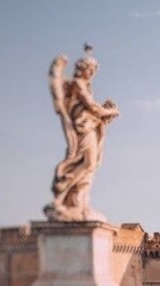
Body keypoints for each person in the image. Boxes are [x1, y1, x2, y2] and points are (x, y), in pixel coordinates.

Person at [45, 49, 120, 222]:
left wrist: (104, 115)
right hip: (83, 128)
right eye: (90, 69)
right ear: (82, 68)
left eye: (94, 70)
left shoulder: (84, 85)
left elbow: (91, 109)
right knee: (88, 162)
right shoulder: (78, 84)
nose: (92, 73)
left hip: (89, 126)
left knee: (90, 165)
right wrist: (109, 110)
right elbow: (91, 107)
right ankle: (62, 194)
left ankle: (77, 199)